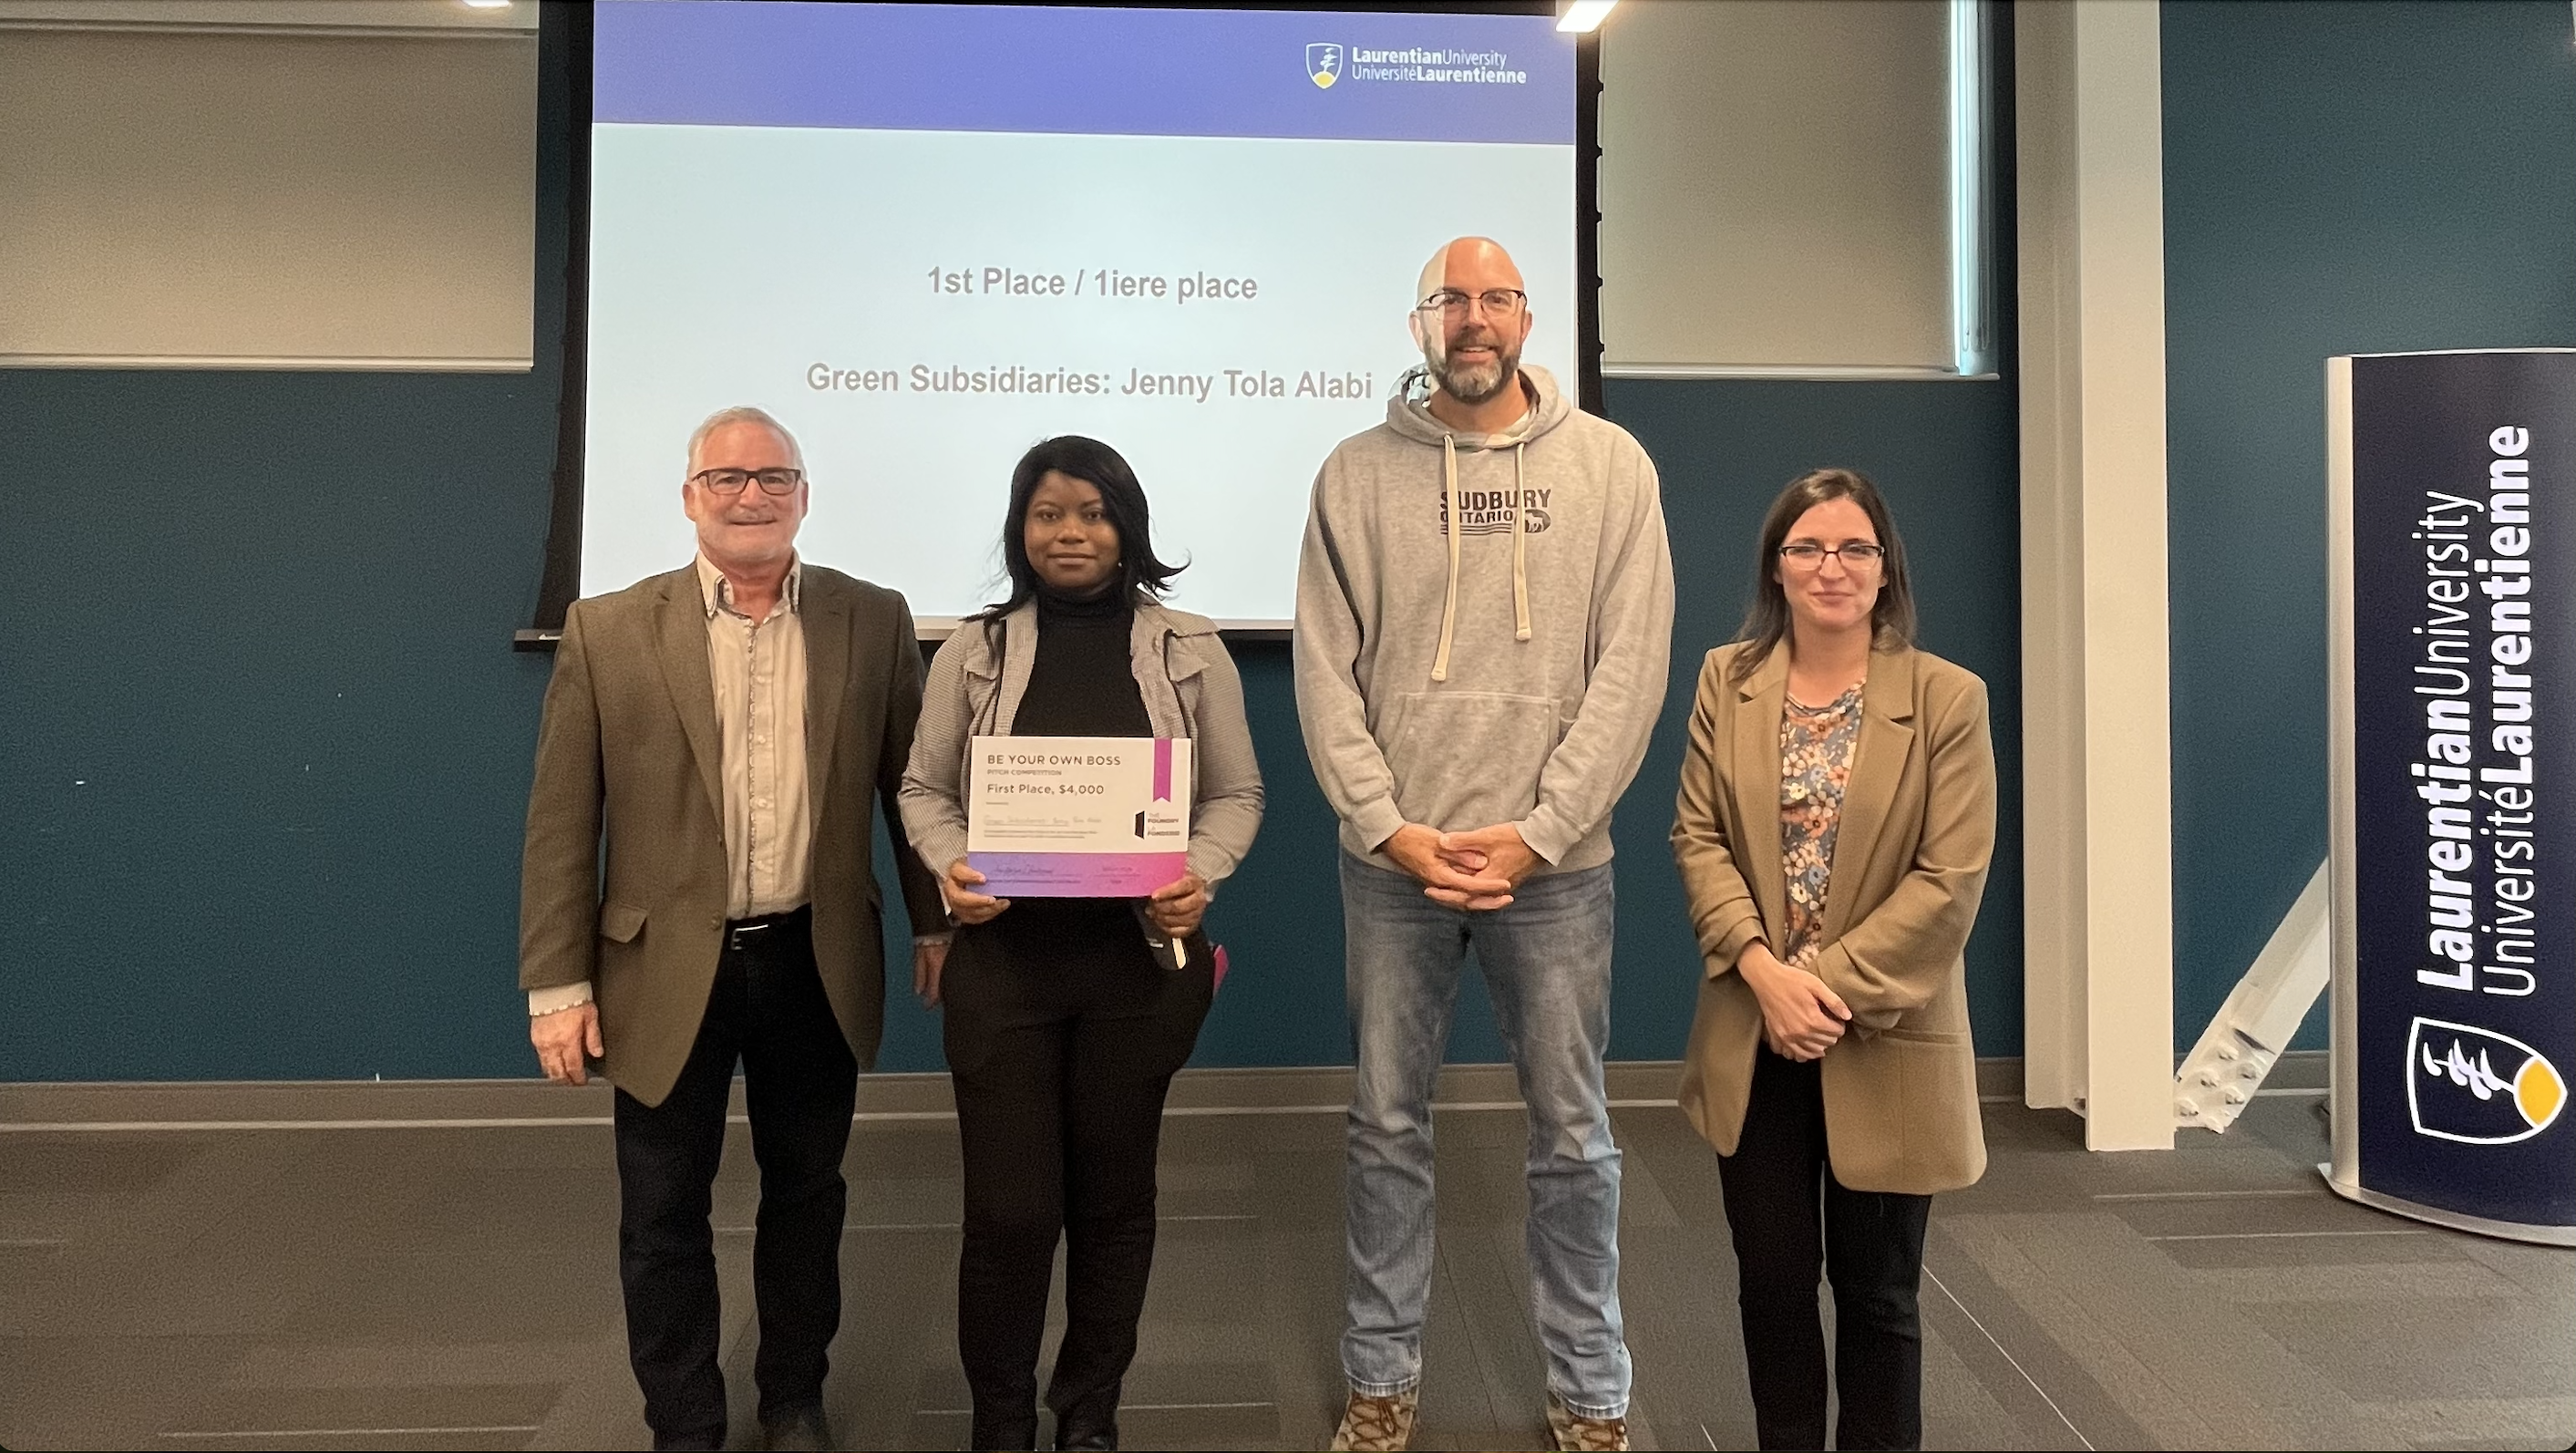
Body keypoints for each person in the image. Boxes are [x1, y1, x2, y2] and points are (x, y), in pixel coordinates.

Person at [1294, 237, 1674, 1453]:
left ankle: (1588, 1388)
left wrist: (1542, 829)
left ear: (1525, 316)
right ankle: (1382, 1376)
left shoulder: (1610, 468)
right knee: (1386, 1127)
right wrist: (1391, 829)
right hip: (1392, 869)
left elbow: (1630, 667)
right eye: (1450, 300)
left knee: (1573, 1133)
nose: (1472, 319)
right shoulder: (1352, 475)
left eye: (1493, 298)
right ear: (1420, 323)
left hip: (1556, 874)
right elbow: (1321, 672)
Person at [518, 406, 949, 1452]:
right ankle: (685, 1422)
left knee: (808, 1195)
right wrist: (557, 985)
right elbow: (565, 815)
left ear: (804, 495)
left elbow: (913, 785)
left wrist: (936, 921)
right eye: (726, 478)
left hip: (816, 955)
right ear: (688, 497)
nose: (750, 494)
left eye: (773, 476)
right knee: (663, 1213)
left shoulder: (873, 617)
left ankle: (793, 1398)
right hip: (663, 971)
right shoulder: (608, 628)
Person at [901, 436, 1265, 1452]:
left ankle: (1090, 1413)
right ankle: (1002, 1422)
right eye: (1050, 513)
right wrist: (952, 864)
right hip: (1004, 970)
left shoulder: (1190, 646)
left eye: (1094, 513)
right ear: (1022, 529)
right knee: (1011, 1215)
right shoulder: (972, 650)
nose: (1071, 532)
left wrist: (1199, 872)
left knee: (1113, 1203)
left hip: (1136, 973)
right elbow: (923, 789)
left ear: (1127, 527)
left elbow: (1236, 792)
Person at [1668, 469, 1996, 1451]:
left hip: (1885, 1038)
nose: (1832, 567)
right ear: (1778, 566)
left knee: (1879, 1297)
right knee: (1770, 1287)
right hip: (1753, 1027)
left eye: (1855, 548)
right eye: (1809, 547)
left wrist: (1821, 987)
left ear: (1887, 569)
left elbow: (1950, 879)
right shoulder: (1727, 680)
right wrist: (1764, 973)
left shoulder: (1945, 697)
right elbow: (1698, 839)